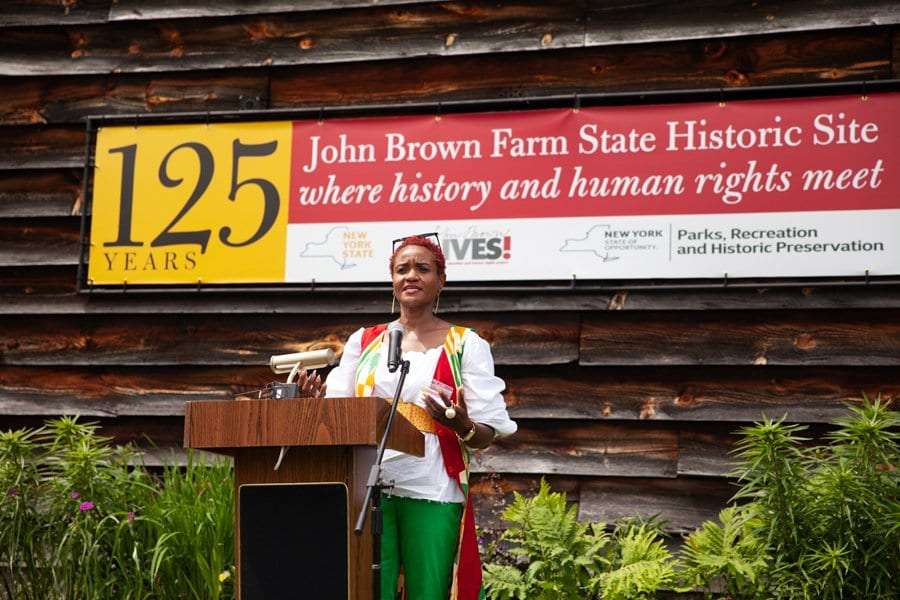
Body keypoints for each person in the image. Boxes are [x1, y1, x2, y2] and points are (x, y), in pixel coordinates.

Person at [300, 234, 517, 600]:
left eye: (422, 268)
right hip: (368, 489)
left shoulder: (465, 344)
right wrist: (316, 403)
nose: (411, 276)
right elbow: (339, 413)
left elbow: (487, 433)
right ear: (393, 281)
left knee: (429, 592)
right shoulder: (365, 341)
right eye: (402, 269)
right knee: (369, 591)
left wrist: (459, 423)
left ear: (440, 281)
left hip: (432, 487)